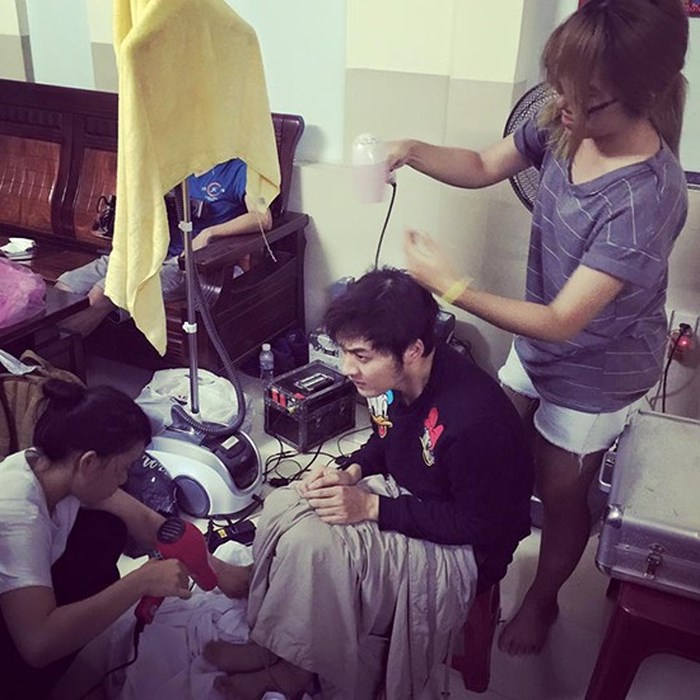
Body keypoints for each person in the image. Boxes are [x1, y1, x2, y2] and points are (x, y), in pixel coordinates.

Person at [389, 0, 689, 656]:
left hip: (597, 372)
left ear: (640, 96)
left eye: (586, 99)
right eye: (561, 87)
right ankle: (482, 566)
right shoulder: (563, 117)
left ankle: (542, 601)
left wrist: (453, 287)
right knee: (489, 446)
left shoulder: (647, 196)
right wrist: (408, 150)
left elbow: (563, 322)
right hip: (537, 344)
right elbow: (479, 165)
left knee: (560, 495)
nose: (563, 107)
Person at [203, 268, 533, 700]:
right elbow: (386, 438)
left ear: (412, 350)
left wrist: (371, 508)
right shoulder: (401, 380)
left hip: (464, 549)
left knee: (317, 546)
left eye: (361, 356)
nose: (347, 369)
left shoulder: (474, 420)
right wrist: (351, 471)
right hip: (415, 500)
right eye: (345, 352)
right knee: (288, 501)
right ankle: (273, 639)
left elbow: (481, 526)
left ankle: (292, 670)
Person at [0, 380, 250, 699]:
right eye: (123, 468)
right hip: (20, 646)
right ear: (89, 462)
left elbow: (149, 523)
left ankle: (77, 632)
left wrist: (217, 571)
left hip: (30, 603)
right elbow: (37, 644)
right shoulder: (17, 514)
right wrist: (140, 582)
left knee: (108, 525)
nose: (123, 479)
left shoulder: (55, 466)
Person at [55, 157, 272, 336]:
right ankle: (51, 355)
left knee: (104, 292)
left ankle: (54, 356)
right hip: (150, 251)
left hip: (190, 265)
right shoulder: (175, 164)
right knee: (66, 285)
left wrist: (209, 233)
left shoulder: (241, 169)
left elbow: (263, 218)